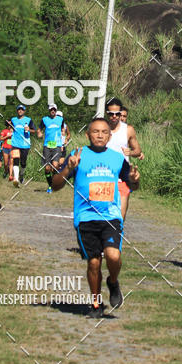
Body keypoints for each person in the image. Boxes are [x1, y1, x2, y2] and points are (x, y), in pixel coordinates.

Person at [51, 118, 139, 318]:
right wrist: (68, 169)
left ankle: (113, 281)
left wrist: (135, 180)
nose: (100, 135)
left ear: (110, 136)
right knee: (93, 263)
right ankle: (96, 304)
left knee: (113, 255)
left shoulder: (118, 158)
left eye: (104, 132)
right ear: (88, 134)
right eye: (96, 131)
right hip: (85, 218)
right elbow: (55, 185)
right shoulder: (77, 155)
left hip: (111, 216)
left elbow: (132, 185)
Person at [105, 99, 143, 220]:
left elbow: (138, 150)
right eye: (111, 114)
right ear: (107, 114)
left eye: (117, 113)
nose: (114, 116)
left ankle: (117, 237)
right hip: (103, 177)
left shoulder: (128, 130)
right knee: (103, 216)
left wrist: (130, 152)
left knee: (120, 217)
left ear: (121, 113)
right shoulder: (101, 129)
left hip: (122, 178)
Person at [37, 104, 70, 193]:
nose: (53, 111)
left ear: (56, 110)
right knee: (47, 168)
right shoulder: (44, 119)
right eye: (51, 109)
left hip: (57, 145)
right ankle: (50, 185)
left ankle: (54, 184)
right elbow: (39, 129)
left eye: (54, 109)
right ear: (49, 110)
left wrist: (63, 132)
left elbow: (63, 128)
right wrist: (39, 133)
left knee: (55, 166)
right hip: (47, 146)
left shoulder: (60, 119)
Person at [9, 104, 36, 186]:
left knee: (23, 162)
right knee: (16, 160)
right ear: (17, 111)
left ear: (24, 111)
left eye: (22, 109)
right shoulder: (13, 119)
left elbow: (34, 130)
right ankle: (16, 179)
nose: (20, 111)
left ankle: (21, 174)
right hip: (15, 143)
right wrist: (9, 126)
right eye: (19, 109)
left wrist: (29, 130)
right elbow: (8, 124)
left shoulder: (29, 120)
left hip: (25, 144)